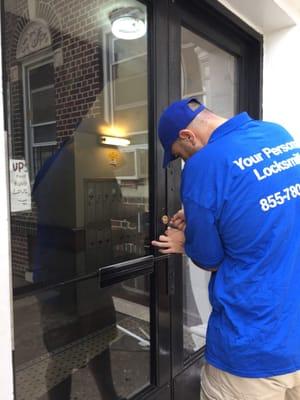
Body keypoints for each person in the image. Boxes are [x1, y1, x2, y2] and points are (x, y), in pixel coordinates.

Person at [152, 97, 300, 400]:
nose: (186, 162)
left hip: (251, 348)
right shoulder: (277, 135)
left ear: (187, 136)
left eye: (182, 156)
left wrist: (184, 241)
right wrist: (206, 212)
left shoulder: (203, 167)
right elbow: (263, 217)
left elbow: (210, 259)